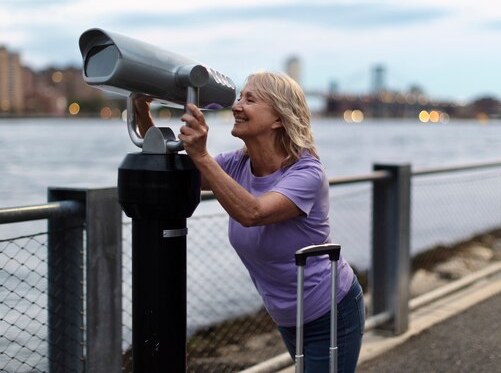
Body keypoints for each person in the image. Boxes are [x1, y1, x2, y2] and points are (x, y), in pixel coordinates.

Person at [135, 71, 365, 373]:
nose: (237, 106)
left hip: (330, 311)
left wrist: (202, 155)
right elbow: (179, 176)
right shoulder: (237, 163)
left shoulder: (306, 174)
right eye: (240, 97)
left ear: (279, 118)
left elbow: (253, 213)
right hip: (288, 316)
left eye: (250, 99)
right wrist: (142, 113)